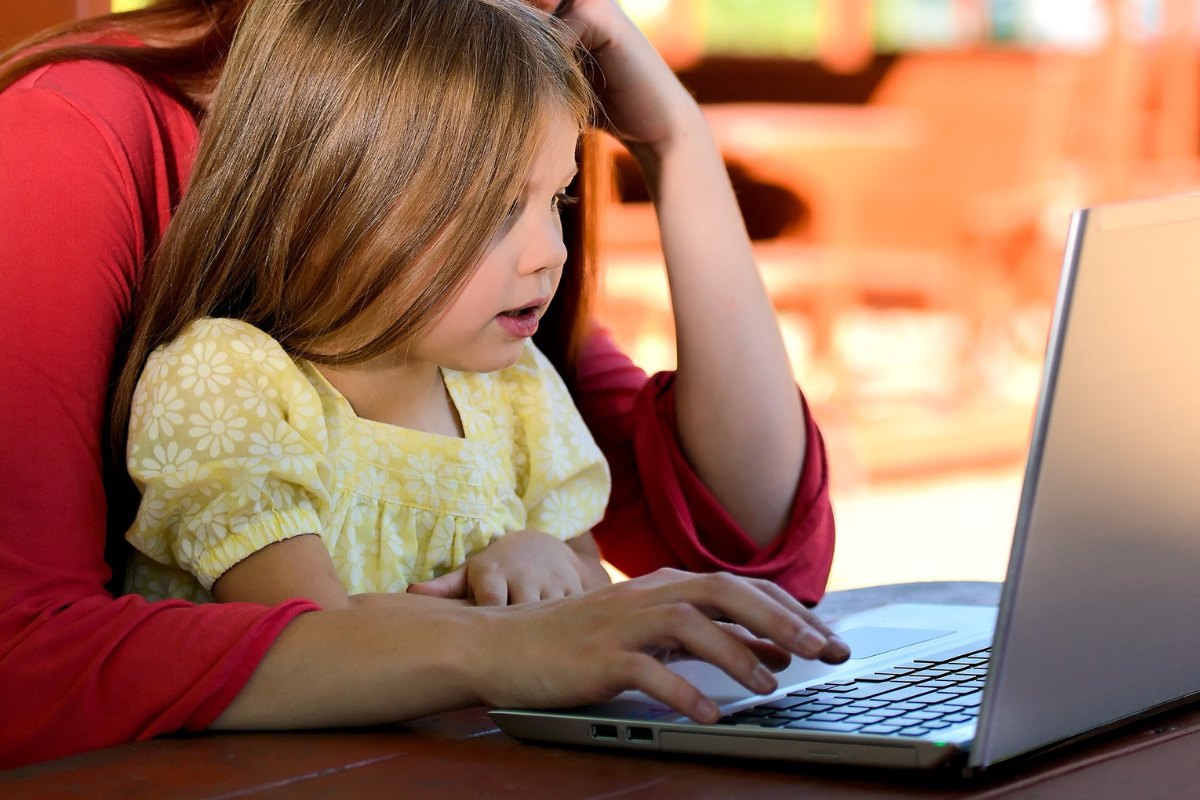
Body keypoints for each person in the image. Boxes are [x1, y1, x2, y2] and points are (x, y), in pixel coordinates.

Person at [0, 0, 841, 770]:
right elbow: (25, 660)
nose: (551, 249)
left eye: (559, 198)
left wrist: (675, 142)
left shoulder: (486, 353)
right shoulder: (73, 136)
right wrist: (494, 645)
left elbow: (749, 553)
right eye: (498, 203)